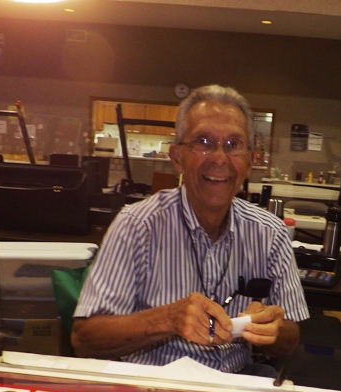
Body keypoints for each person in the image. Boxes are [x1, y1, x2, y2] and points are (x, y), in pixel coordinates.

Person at [72, 84, 309, 375]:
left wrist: (273, 329)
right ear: (177, 158)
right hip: (153, 382)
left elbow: (291, 339)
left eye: (234, 144)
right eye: (203, 142)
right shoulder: (137, 224)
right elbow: (84, 339)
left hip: (236, 380)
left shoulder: (270, 233)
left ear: (250, 162)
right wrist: (167, 319)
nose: (220, 159)